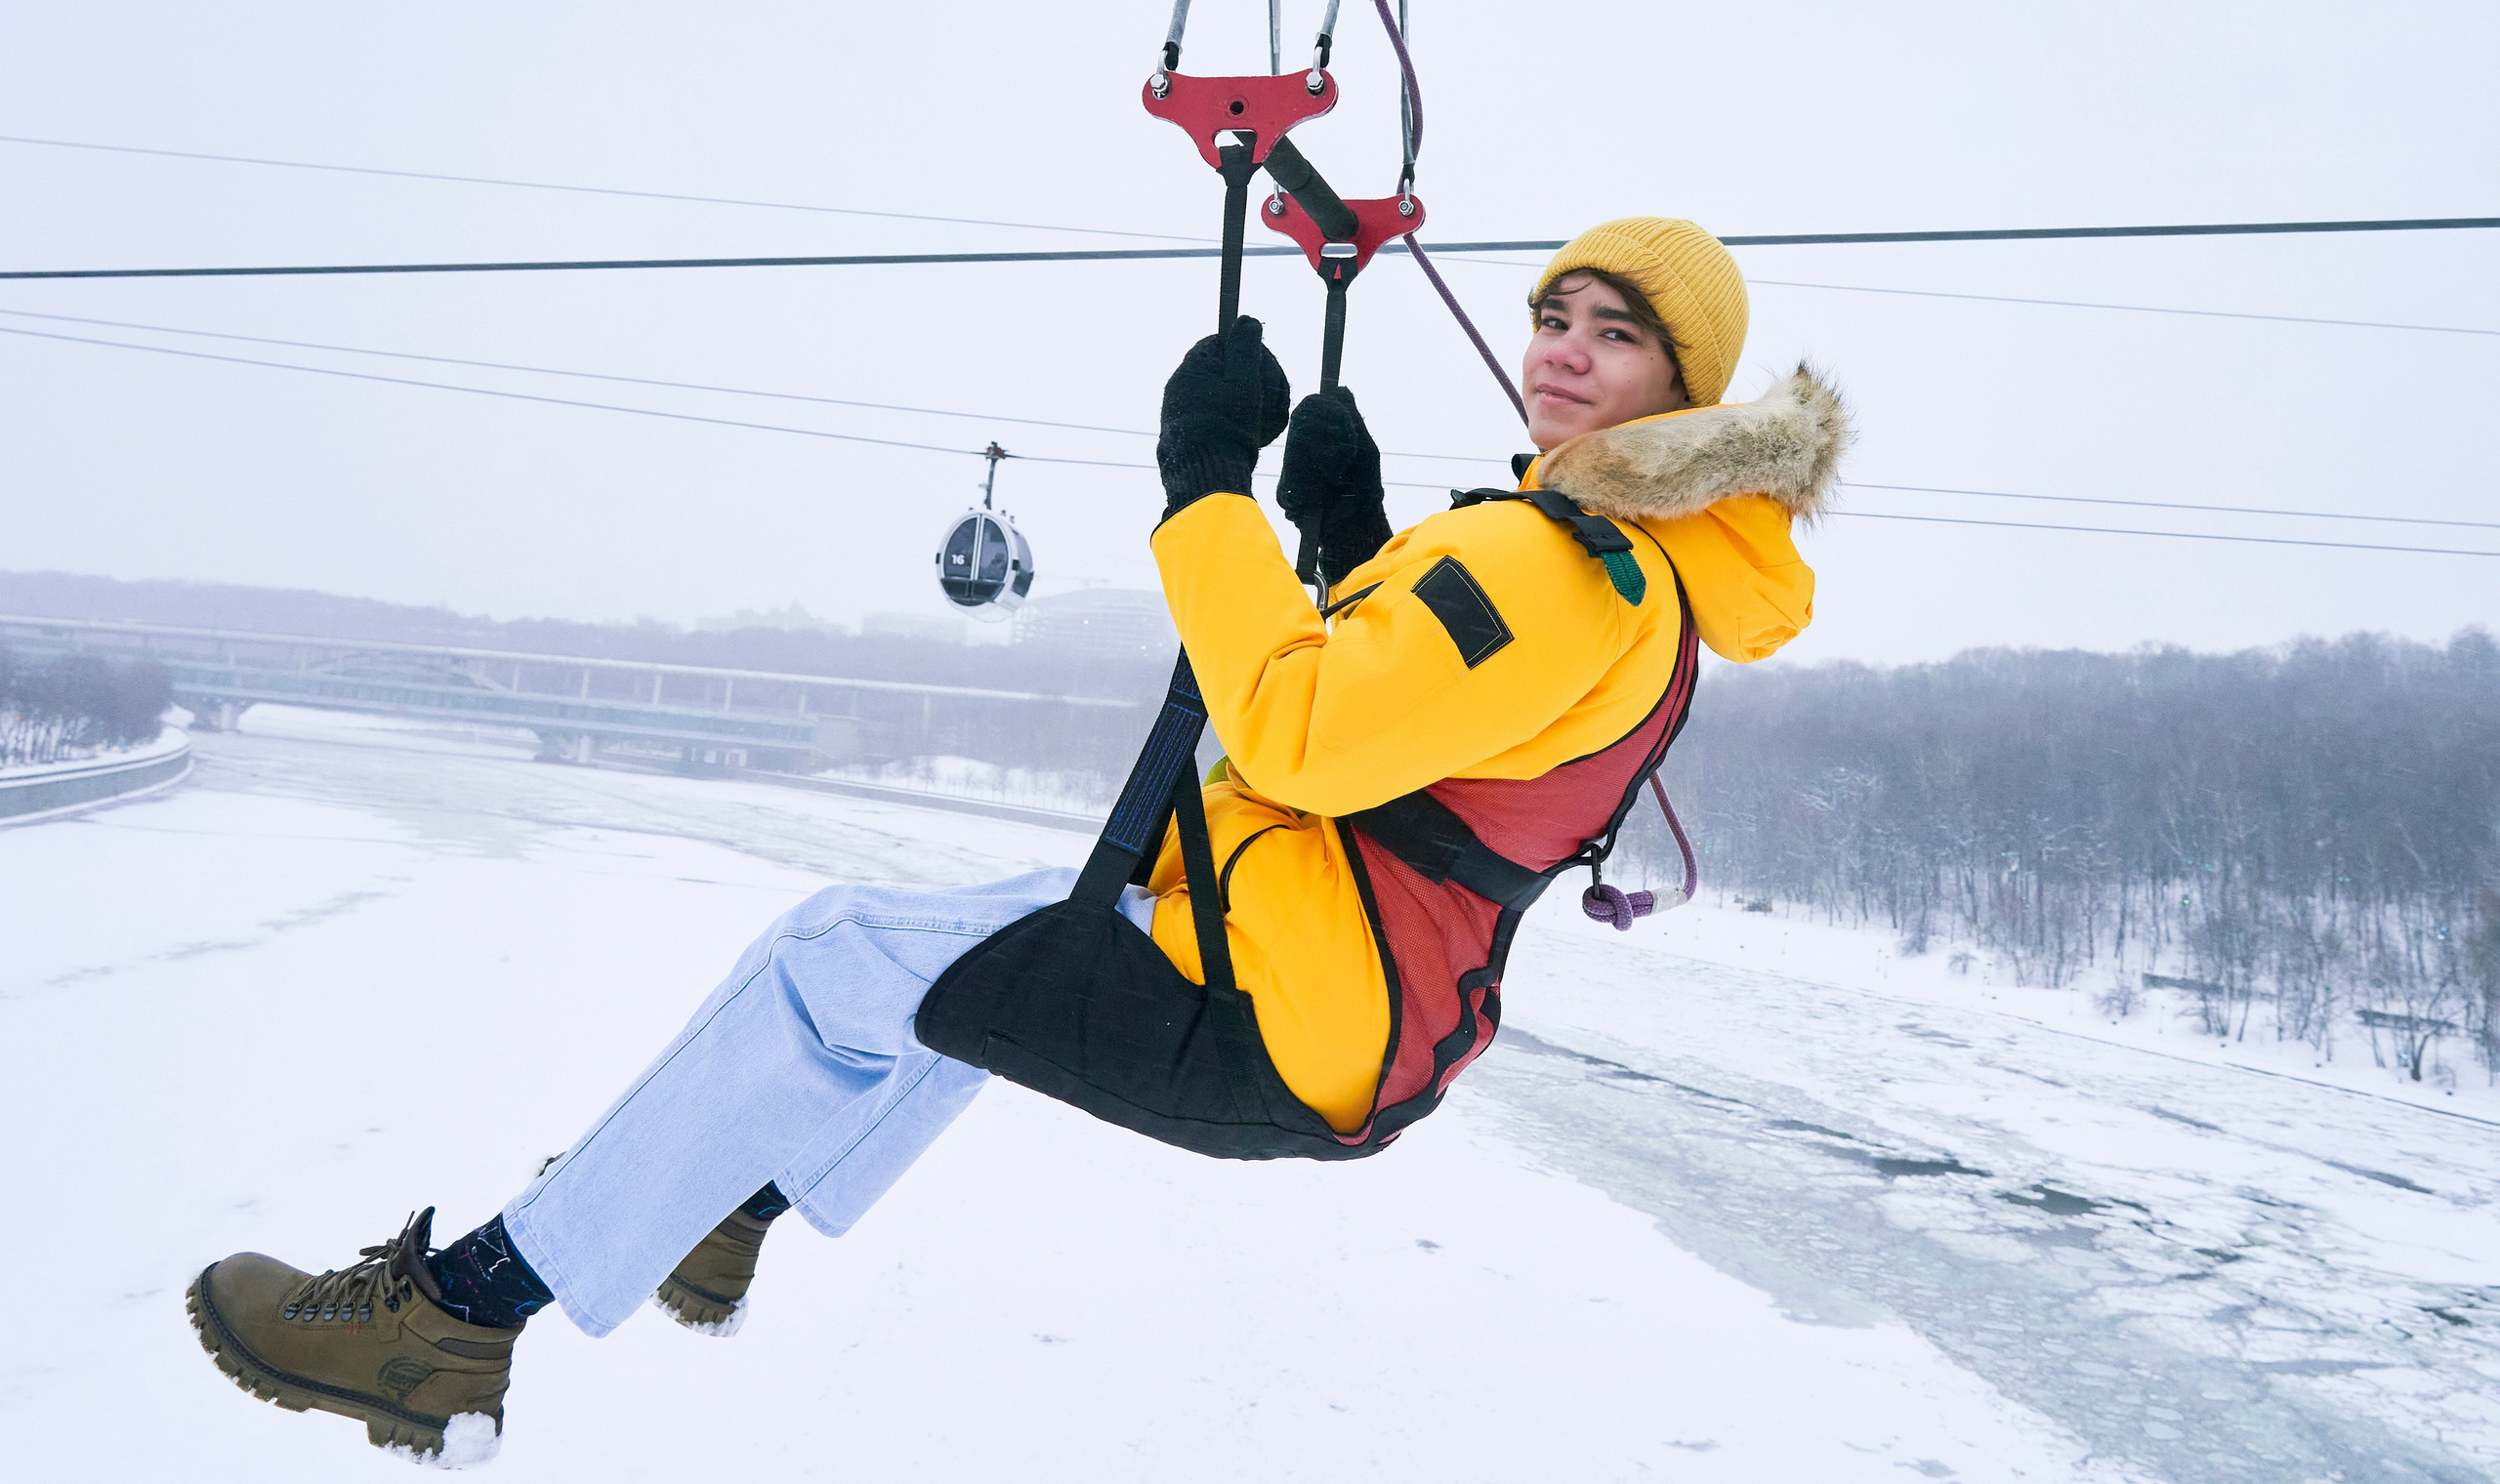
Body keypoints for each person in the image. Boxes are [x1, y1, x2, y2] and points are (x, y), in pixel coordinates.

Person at [185, 216, 1848, 1464]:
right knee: (935, 971)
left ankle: (450, 1320)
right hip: (1315, 982)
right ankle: (718, 1202)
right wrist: (1349, 535)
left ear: (1682, 390)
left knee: (833, 963)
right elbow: (1415, 725)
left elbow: (1292, 728)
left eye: (1616, 335)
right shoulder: (1626, 569)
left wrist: (1207, 479)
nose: (1564, 351)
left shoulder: (1564, 562)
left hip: (1277, 1001)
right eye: (1554, 315)